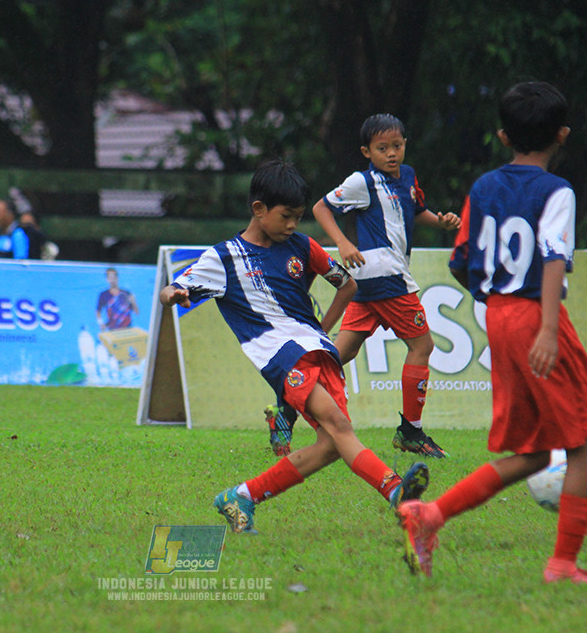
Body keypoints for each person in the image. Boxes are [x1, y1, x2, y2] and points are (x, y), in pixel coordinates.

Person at [398, 81, 587, 584]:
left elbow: (461, 261)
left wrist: (499, 306)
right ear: (563, 135)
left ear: (502, 135)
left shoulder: (484, 187)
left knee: (535, 450)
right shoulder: (558, 191)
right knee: (583, 441)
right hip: (537, 316)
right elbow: (555, 255)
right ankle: (562, 564)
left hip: (499, 316)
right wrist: (548, 329)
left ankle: (431, 516)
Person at [159, 159, 429, 534]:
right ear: (258, 209)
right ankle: (396, 491)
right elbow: (175, 288)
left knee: (332, 444)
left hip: (318, 350)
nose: (292, 225)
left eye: (298, 217)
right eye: (286, 216)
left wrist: (322, 329)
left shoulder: (302, 246)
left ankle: (242, 496)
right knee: (338, 426)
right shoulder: (225, 258)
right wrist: (173, 292)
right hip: (280, 356)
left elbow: (347, 284)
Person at [290, 113, 462, 460]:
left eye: (396, 146)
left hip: (371, 280)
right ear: (367, 151)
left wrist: (440, 221)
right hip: (387, 277)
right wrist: (342, 243)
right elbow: (322, 207)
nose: (391, 154)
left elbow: (414, 212)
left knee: (341, 353)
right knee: (422, 346)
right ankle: (411, 431)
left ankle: (287, 399)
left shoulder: (408, 177)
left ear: (404, 145)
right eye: (382, 148)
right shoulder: (362, 181)